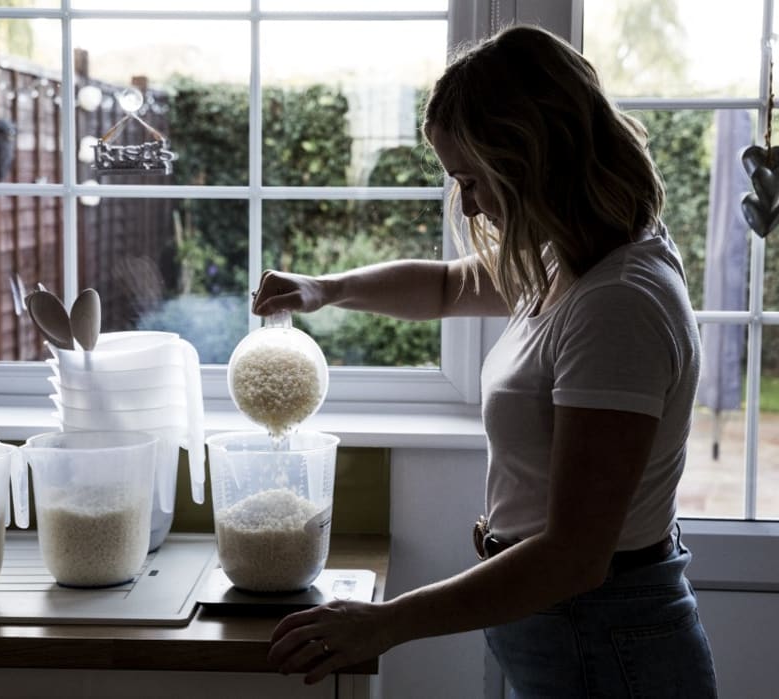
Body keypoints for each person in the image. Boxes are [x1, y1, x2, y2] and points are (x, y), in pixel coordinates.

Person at [257, 23, 718, 697]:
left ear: (534, 158)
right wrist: (327, 289)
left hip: (603, 638)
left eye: (473, 178)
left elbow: (574, 555)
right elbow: (450, 285)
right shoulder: (573, 254)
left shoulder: (617, 304)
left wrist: (384, 623)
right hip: (575, 627)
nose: (469, 202)